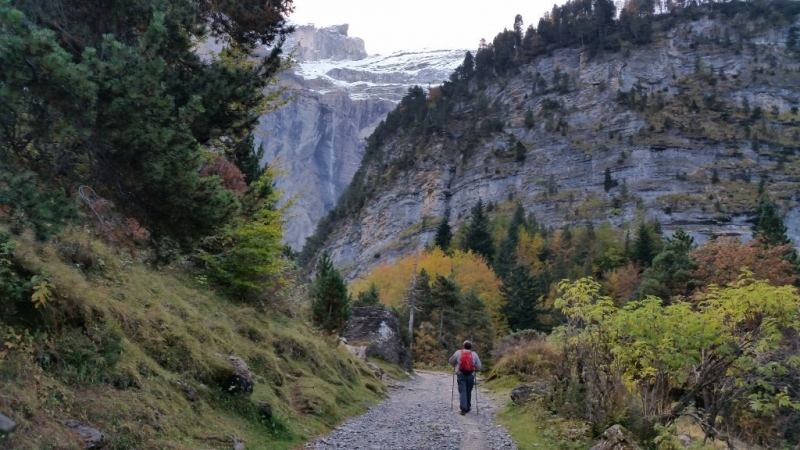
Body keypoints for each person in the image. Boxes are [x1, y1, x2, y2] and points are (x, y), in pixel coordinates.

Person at [449, 340, 482, 415]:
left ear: (463, 346)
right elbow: (479, 367)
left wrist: (456, 364)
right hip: (470, 375)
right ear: (471, 347)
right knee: (468, 391)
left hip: (461, 374)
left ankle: (463, 408)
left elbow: (451, 361)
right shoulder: (474, 354)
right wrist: (475, 370)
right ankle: (468, 407)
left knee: (462, 391)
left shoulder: (458, 352)